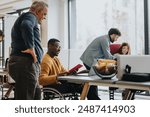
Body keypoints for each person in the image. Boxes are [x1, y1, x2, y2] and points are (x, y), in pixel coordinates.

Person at [8, 1, 48, 100]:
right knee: (26, 98)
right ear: (38, 11)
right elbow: (26, 25)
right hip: (25, 63)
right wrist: (31, 49)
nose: (44, 17)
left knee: (36, 95)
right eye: (44, 14)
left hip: (26, 64)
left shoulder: (26, 17)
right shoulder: (30, 16)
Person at [80, 28, 121, 100]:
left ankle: (92, 97)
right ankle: (93, 98)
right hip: (89, 60)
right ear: (113, 35)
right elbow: (107, 56)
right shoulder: (105, 40)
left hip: (90, 59)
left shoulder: (105, 39)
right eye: (117, 37)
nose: (116, 40)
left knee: (93, 78)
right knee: (93, 78)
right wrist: (118, 57)